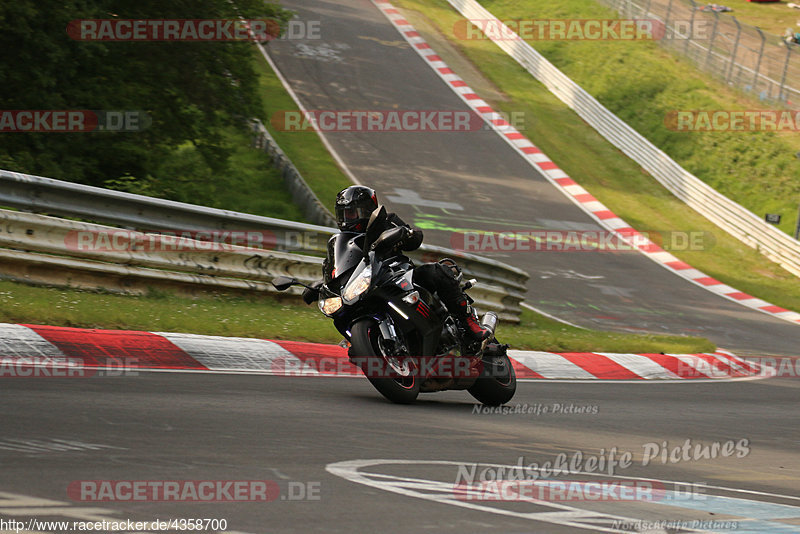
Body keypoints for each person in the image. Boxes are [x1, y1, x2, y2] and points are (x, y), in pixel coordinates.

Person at [326, 185, 491, 342]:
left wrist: (406, 234)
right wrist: (320, 285)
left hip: (399, 275)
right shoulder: (341, 243)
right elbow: (337, 267)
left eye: (353, 214)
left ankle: (467, 321)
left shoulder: (385, 221)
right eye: (344, 215)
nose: (348, 219)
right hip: (369, 286)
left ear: (367, 210)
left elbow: (415, 240)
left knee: (436, 271)